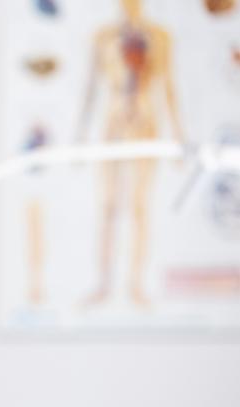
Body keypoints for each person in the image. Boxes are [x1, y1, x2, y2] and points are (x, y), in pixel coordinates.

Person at [76, 0, 185, 308]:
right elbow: (91, 87)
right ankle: (104, 283)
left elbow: (169, 86)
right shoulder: (104, 37)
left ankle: (135, 284)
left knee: (139, 208)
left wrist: (180, 138)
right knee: (109, 207)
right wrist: (79, 136)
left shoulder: (160, 38)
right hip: (113, 127)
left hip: (146, 126)